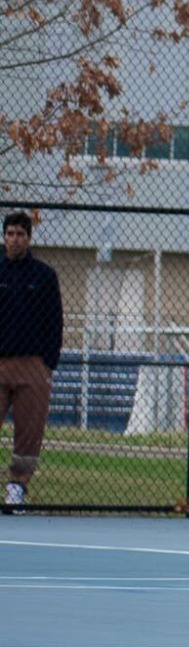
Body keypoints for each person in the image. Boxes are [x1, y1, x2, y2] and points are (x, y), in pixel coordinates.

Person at [0, 211, 62, 514]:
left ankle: (17, 487)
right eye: (9, 234)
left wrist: (47, 364)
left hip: (32, 366)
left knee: (28, 431)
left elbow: (55, 323)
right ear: (3, 237)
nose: (14, 240)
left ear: (29, 238)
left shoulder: (44, 276)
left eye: (20, 234)